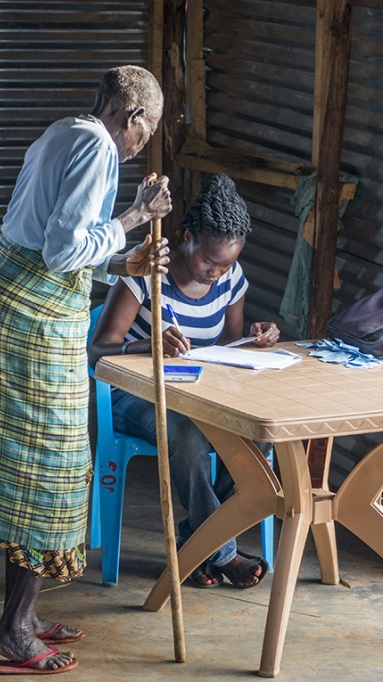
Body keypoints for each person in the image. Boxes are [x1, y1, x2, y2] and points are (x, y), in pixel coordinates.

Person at [0, 65, 171, 675]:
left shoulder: (66, 130)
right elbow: (65, 250)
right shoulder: (98, 146)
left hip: (7, 291)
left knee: (30, 461)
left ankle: (25, 614)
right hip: (28, 314)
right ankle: (13, 626)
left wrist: (124, 259)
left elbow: (55, 241)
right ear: (134, 115)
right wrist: (134, 219)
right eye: (150, 129)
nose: (144, 143)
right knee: (51, 467)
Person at [88, 173, 280, 588]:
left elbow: (228, 347)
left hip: (195, 392)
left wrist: (257, 339)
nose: (217, 272)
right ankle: (224, 554)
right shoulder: (145, 270)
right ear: (188, 237)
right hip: (132, 393)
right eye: (209, 261)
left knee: (258, 437)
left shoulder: (231, 278)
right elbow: (99, 351)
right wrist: (149, 344)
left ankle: (196, 543)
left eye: (226, 263)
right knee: (187, 434)